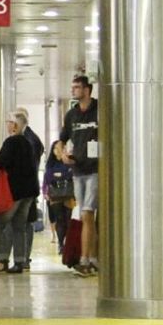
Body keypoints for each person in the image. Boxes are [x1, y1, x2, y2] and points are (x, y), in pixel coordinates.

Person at [0, 114, 40, 273]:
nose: (7, 125)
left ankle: (1, 260)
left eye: (9, 122)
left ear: (15, 125)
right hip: (29, 191)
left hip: (15, 191)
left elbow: (4, 162)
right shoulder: (28, 142)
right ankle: (20, 261)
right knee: (19, 226)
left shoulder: (11, 141)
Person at [57, 75, 100, 276]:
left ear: (87, 89)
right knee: (85, 215)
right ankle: (92, 258)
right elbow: (61, 140)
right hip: (78, 170)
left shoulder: (100, 110)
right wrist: (62, 154)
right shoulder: (71, 115)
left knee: (87, 213)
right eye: (72, 87)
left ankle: (85, 259)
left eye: (77, 87)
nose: (73, 90)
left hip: (96, 169)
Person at [43, 139, 74, 252]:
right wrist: (61, 175)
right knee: (59, 219)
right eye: (56, 148)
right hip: (55, 194)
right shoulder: (50, 163)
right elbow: (49, 177)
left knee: (68, 219)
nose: (58, 150)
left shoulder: (68, 161)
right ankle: (61, 244)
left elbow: (69, 174)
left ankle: (68, 243)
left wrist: (59, 175)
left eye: (61, 148)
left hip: (68, 194)